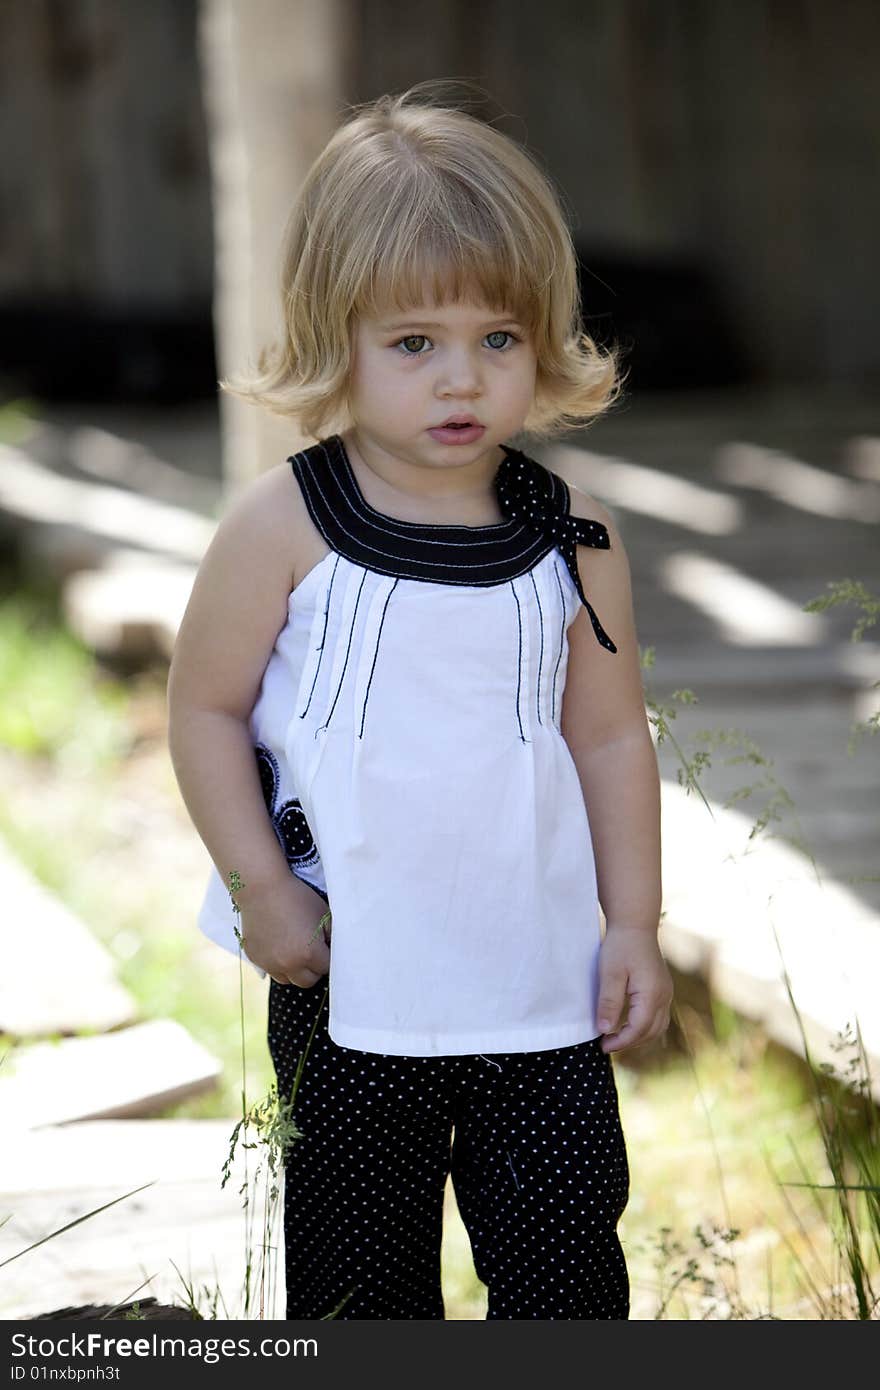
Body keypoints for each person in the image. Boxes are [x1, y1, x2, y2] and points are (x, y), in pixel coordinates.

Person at [166, 81, 673, 1321]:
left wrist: (634, 924)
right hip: (349, 980)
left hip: (539, 991)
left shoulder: (572, 539)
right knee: (358, 1293)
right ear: (333, 335)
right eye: (413, 343)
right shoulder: (282, 526)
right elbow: (204, 712)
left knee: (564, 1284)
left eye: (497, 340)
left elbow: (607, 736)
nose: (462, 381)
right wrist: (259, 888)